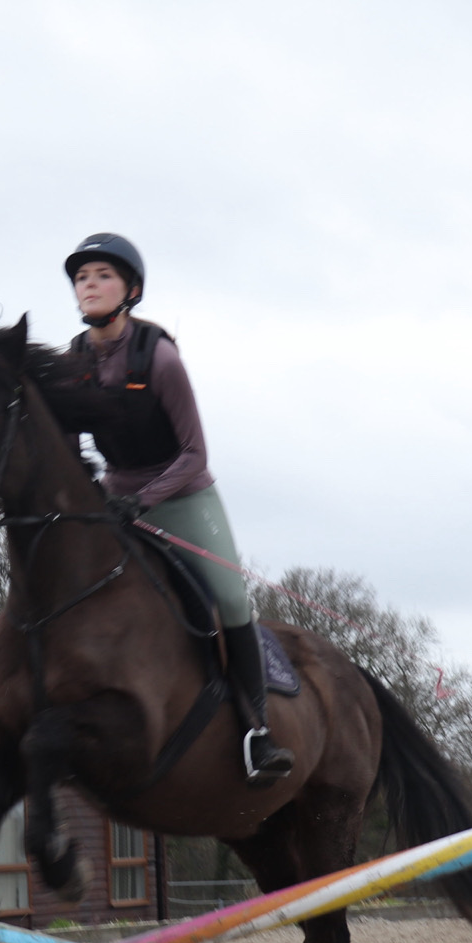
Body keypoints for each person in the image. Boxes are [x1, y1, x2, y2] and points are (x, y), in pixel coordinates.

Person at [58, 232, 293, 788]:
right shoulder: (72, 362)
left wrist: (141, 499)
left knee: (232, 599)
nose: (89, 284)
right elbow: (68, 444)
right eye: (81, 277)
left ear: (130, 290)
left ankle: (257, 732)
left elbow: (195, 454)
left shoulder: (159, 358)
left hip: (183, 495)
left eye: (102, 276)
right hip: (116, 497)